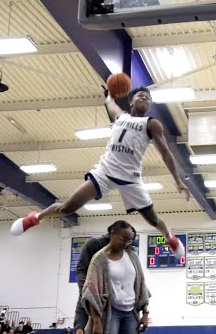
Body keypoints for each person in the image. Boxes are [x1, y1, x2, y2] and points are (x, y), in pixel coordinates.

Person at [10, 86, 189, 259]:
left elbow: (165, 152)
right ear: (131, 102)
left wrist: (178, 180)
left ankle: (169, 237)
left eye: (148, 98)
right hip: (105, 171)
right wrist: (109, 95)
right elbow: (111, 105)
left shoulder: (151, 124)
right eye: (140, 95)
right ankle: (34, 218)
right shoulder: (120, 116)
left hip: (130, 178)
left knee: (153, 220)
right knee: (67, 208)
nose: (144, 98)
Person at [80, 220, 150, 334]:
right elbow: (91, 292)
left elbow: (141, 286)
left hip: (131, 312)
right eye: (123, 239)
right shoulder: (99, 259)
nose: (126, 243)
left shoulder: (132, 256)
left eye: (129, 241)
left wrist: (145, 313)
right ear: (112, 234)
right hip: (111, 312)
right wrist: (96, 321)